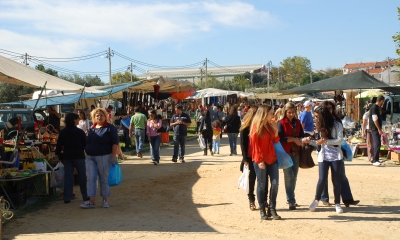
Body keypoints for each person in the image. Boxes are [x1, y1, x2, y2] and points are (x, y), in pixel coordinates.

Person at [321, 101, 360, 208]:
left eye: (330, 108)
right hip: (325, 152)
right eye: (327, 108)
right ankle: (325, 198)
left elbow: (340, 135)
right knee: (323, 177)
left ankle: (347, 199)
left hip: (337, 152)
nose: (329, 110)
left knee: (341, 176)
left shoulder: (337, 120)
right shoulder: (321, 121)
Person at [81, 108, 119, 208]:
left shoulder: (110, 128)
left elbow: (115, 143)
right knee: (90, 178)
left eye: (101, 115)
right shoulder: (91, 129)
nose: (99, 117)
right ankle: (91, 201)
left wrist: (113, 157)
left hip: (104, 156)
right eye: (97, 115)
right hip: (90, 157)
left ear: (105, 116)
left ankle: (105, 200)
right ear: (94, 117)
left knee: (103, 178)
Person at [308, 106, 344, 214]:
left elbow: (340, 140)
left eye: (317, 117)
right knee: (322, 179)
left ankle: (337, 203)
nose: (316, 119)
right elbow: (319, 143)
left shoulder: (337, 125)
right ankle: (316, 200)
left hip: (336, 156)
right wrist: (309, 141)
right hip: (323, 156)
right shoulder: (319, 127)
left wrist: (326, 141)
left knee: (336, 180)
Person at [250, 105, 281, 220]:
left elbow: (276, 140)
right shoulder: (255, 127)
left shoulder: (269, 125)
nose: (273, 115)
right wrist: (259, 160)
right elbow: (255, 146)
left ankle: (272, 208)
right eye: (271, 113)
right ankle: (262, 208)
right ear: (264, 114)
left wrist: (276, 130)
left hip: (272, 158)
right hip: (260, 160)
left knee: (275, 183)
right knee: (262, 185)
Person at [278, 102, 308, 210]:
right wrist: (293, 139)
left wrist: (303, 139)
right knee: (288, 176)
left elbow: (302, 135)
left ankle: (290, 196)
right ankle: (291, 200)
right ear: (285, 112)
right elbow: (280, 138)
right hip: (285, 153)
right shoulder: (281, 123)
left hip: (296, 153)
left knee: (294, 176)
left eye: (292, 112)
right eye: (289, 112)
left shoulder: (298, 122)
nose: (291, 114)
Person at [55, 113, 88, 204]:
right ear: (74, 120)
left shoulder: (63, 132)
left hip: (67, 156)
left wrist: (58, 155)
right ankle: (85, 196)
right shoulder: (80, 132)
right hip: (79, 156)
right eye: (77, 119)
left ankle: (67, 197)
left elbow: (59, 146)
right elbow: (85, 144)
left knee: (68, 177)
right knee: (82, 176)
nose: (79, 120)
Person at [239, 106, 258, 211]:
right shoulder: (245, 128)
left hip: (259, 157)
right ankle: (251, 200)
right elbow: (243, 144)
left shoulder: (259, 127)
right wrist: (245, 158)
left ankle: (262, 201)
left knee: (261, 180)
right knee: (251, 180)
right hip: (250, 157)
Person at [369, 95, 385, 166]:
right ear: (381, 101)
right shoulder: (374, 108)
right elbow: (375, 119)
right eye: (383, 101)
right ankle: (375, 160)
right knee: (377, 143)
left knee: (378, 143)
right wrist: (379, 129)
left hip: (375, 129)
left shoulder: (377, 108)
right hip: (374, 129)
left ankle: (376, 159)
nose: (383, 103)